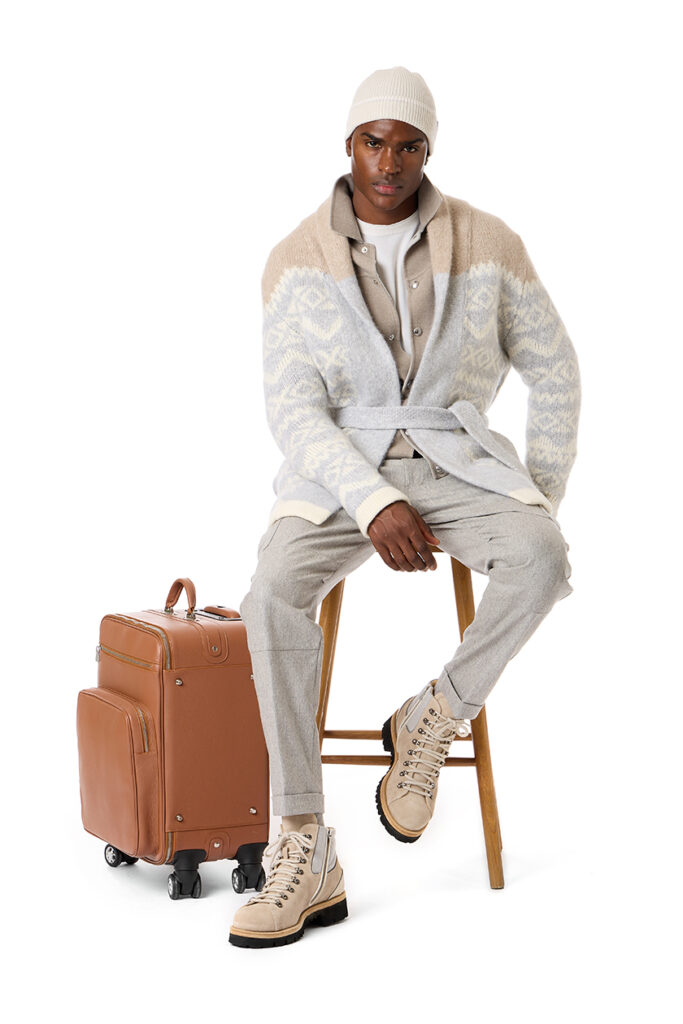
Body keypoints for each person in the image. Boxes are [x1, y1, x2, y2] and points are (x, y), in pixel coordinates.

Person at [228, 66, 580, 949]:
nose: (389, 162)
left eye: (408, 145)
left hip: (456, 458)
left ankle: (435, 716)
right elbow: (292, 411)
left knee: (542, 557)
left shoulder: (488, 241)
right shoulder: (293, 258)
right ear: (348, 144)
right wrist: (373, 498)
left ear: (429, 151)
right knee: (270, 594)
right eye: (373, 142)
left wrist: (537, 493)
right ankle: (302, 842)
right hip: (339, 471)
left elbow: (555, 368)